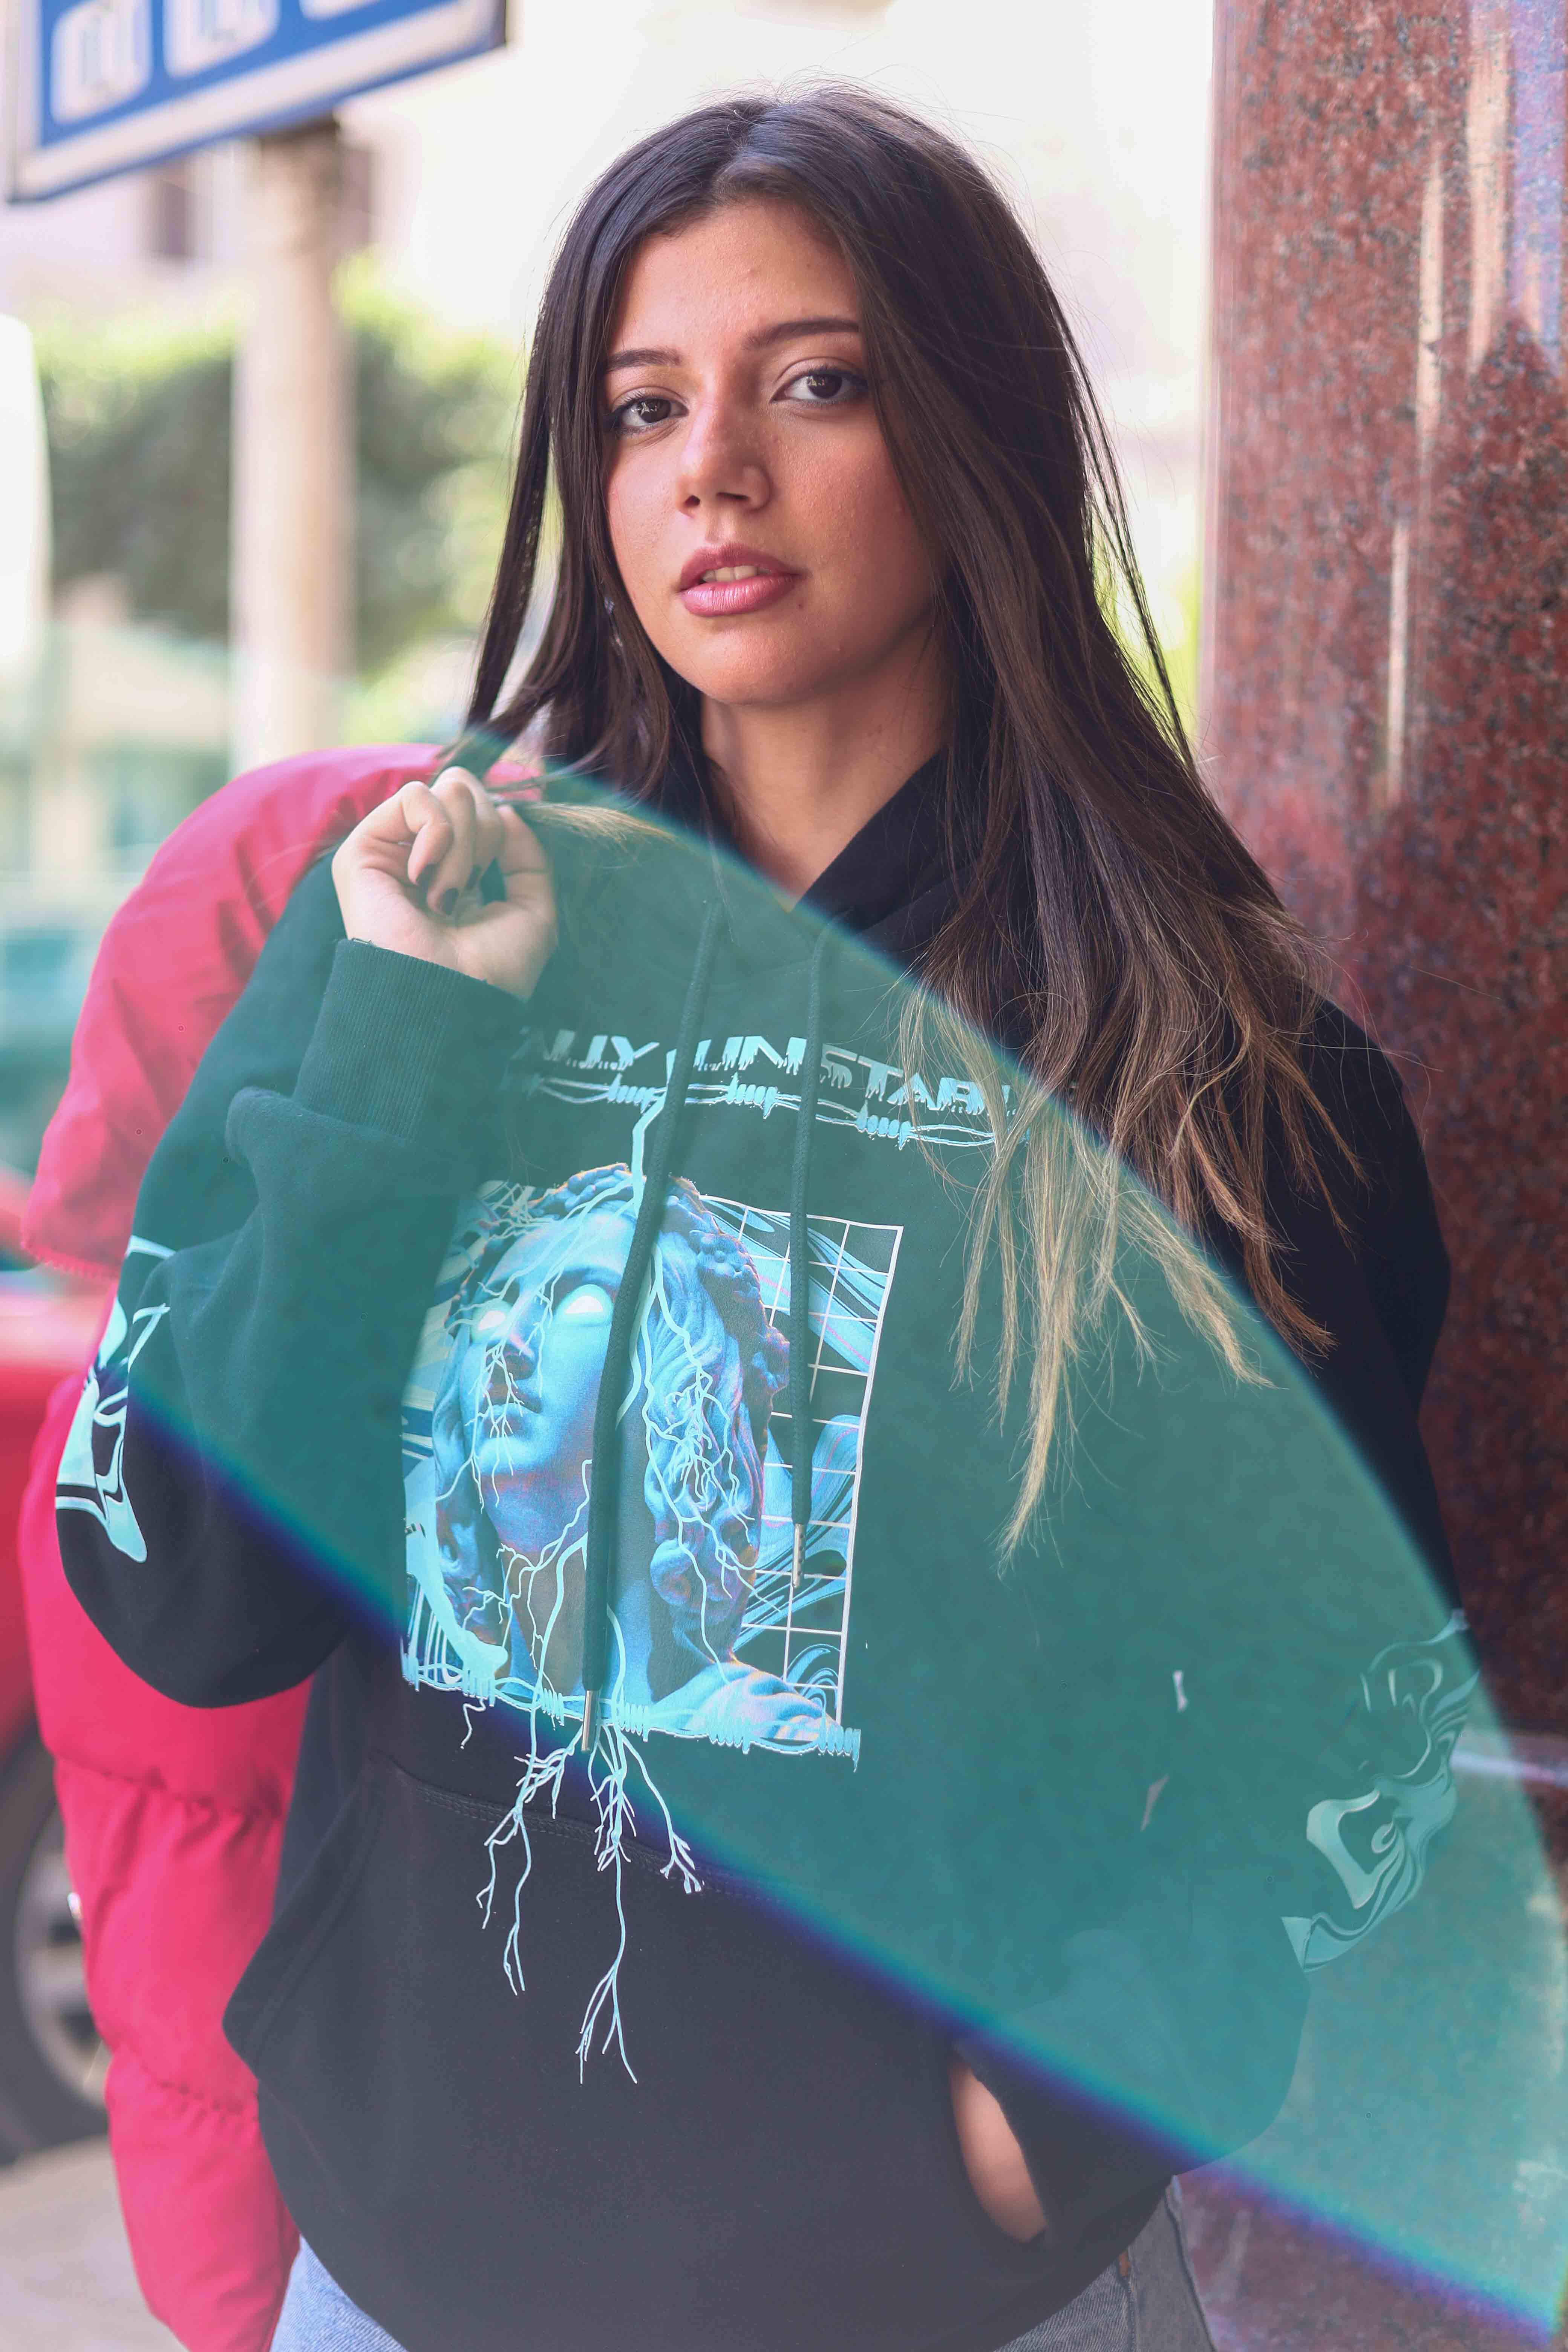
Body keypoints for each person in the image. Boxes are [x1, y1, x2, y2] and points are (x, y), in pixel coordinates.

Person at [57, 87, 1469, 2352]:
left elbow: (1348, 1692)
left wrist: (1055, 2117)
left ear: (969, 434)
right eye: (643, 408)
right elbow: (179, 1591)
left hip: (941, 2305)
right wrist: (405, 1067)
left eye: (813, 383)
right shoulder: (426, 925)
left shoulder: (1198, 1063)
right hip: (400, 2292)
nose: (710, 468)